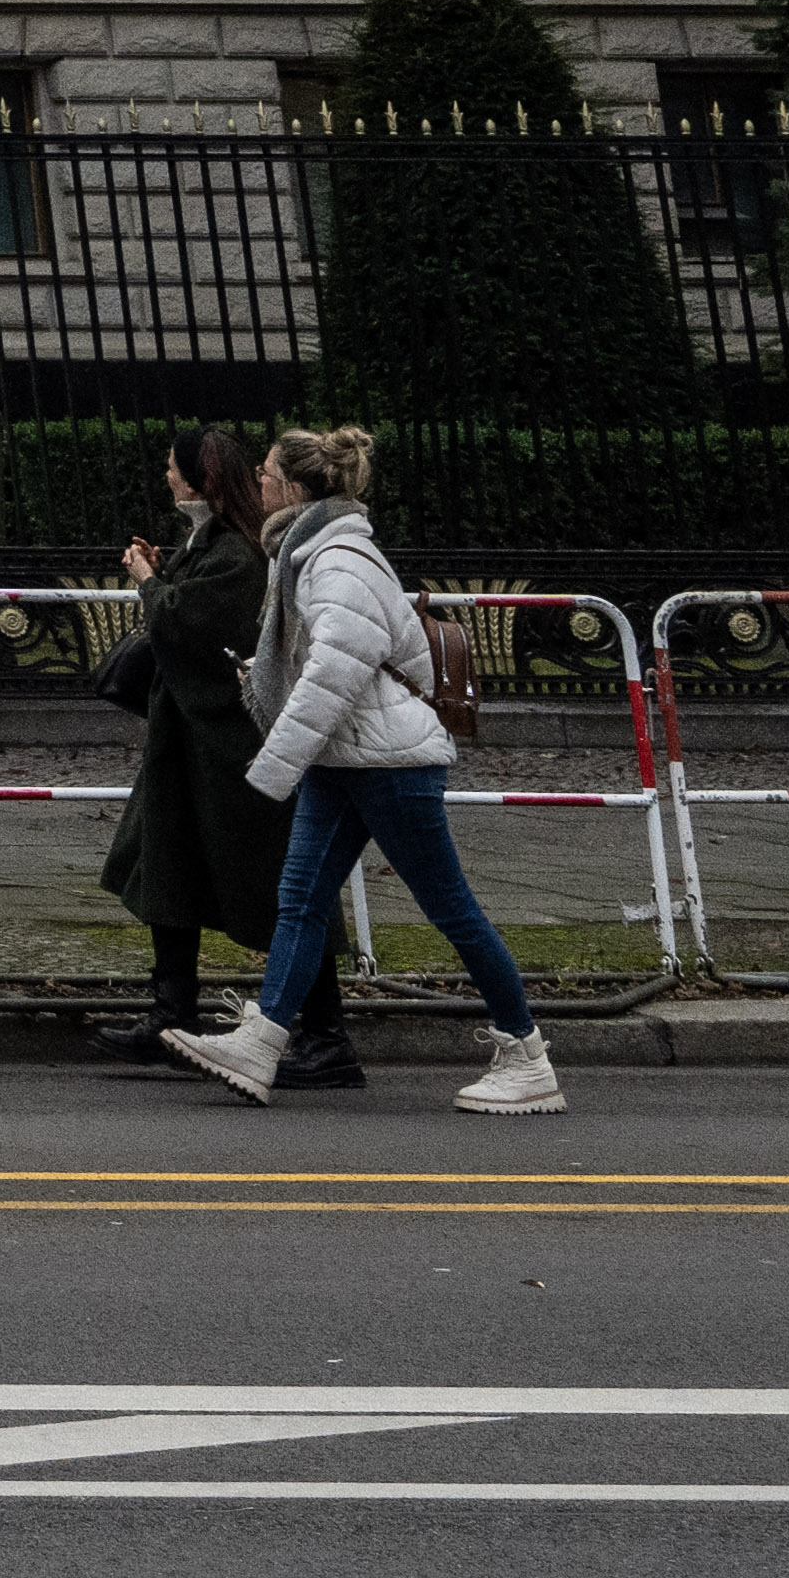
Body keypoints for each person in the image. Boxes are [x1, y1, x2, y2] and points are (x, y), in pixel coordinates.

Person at [160, 422, 560, 1117]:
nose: (256, 479)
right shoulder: (308, 550)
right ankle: (263, 1042)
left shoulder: (339, 556)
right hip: (345, 756)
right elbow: (327, 662)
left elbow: (335, 671)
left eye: (265, 470)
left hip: (387, 760)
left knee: (450, 907)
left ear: (293, 485)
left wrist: (273, 763)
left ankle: (526, 1054)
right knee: (301, 898)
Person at [97, 422, 356, 1083]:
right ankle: (171, 1010)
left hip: (232, 753)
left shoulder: (240, 552)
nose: (165, 475)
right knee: (165, 866)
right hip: (191, 750)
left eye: (172, 466)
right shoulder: (219, 541)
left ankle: (325, 1034)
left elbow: (186, 620)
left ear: (199, 476)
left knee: (282, 885)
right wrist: (164, 568)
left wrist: (149, 580)